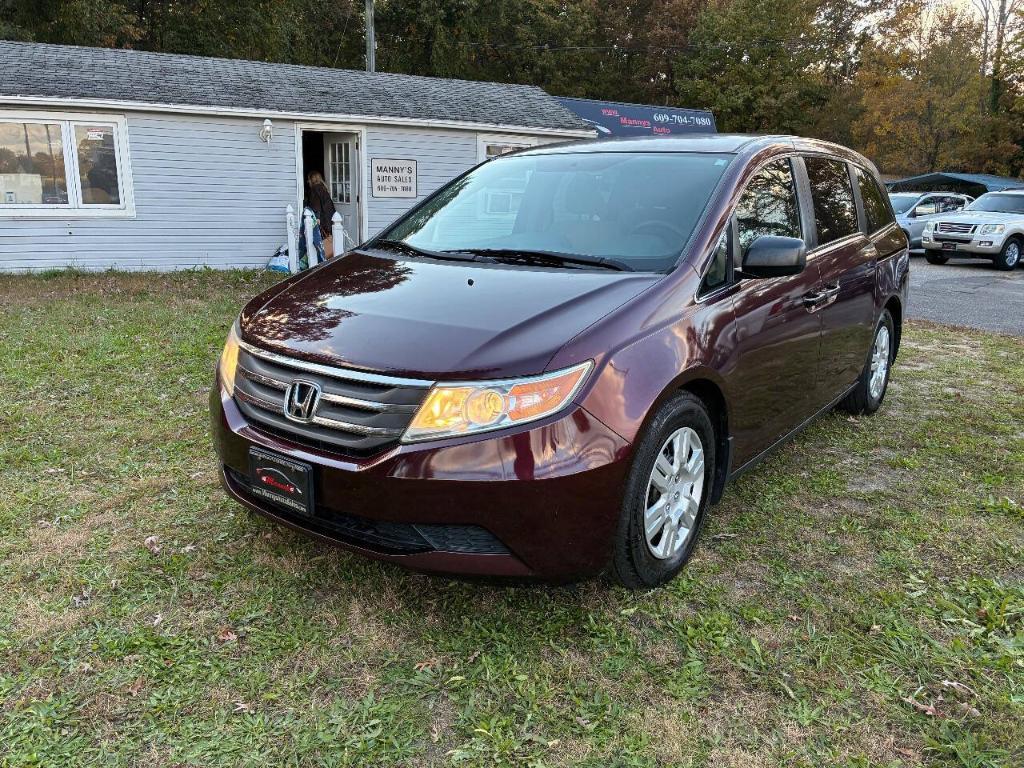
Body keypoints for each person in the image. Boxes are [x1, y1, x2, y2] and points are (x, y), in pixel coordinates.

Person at [304, 171, 336, 257]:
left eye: (309, 179)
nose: (308, 181)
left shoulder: (315, 189)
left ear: (312, 179)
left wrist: (317, 217)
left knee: (320, 241)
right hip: (329, 218)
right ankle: (329, 256)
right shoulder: (323, 188)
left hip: (322, 218)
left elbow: (316, 205)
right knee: (328, 238)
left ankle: (322, 257)